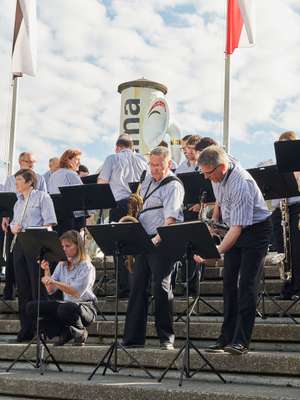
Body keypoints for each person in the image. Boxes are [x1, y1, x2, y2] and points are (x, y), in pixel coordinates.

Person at [195, 145, 271, 355]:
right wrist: (215, 221)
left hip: (256, 231)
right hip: (235, 228)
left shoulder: (241, 184)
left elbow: (238, 228)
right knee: (228, 282)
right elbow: (221, 199)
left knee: (246, 284)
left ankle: (241, 341)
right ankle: (225, 338)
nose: (207, 179)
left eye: (209, 174)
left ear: (221, 167)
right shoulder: (218, 172)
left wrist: (215, 250)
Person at [122, 146, 184, 350]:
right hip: (144, 239)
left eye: (158, 165)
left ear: (169, 164)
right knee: (137, 287)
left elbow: (170, 220)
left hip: (162, 240)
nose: (154, 169)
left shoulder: (173, 185)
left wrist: (155, 240)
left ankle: (166, 337)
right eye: (152, 164)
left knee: (161, 287)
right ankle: (133, 338)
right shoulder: (147, 180)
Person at [97, 134, 148, 297]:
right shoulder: (141, 159)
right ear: (132, 147)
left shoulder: (112, 158)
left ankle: (124, 288)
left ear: (117, 147)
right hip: (139, 204)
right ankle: (139, 286)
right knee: (138, 246)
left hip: (119, 205)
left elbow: (102, 183)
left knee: (119, 247)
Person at [10, 169, 57, 342]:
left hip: (36, 244)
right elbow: (14, 223)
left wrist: (30, 231)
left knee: (38, 288)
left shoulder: (43, 197)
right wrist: (13, 227)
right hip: (19, 245)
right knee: (23, 289)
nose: (16, 183)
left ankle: (42, 329)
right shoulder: (17, 203)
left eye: (20, 180)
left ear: (30, 182)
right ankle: (26, 328)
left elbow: (49, 223)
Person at [27, 230, 97, 346]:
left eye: (68, 246)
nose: (64, 249)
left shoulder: (87, 267)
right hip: (68, 305)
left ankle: (80, 332)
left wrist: (54, 282)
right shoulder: (62, 265)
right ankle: (66, 331)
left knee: (65, 308)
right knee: (32, 307)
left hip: (86, 307)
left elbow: (76, 292)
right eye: (63, 246)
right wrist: (46, 270)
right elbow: (50, 290)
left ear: (78, 246)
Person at [1, 153, 47, 300]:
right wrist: (5, 218)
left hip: (32, 225)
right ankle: (9, 291)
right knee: (12, 256)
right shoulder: (10, 179)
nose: (31, 164)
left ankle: (29, 294)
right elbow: (5, 200)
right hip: (14, 222)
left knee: (30, 261)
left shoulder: (39, 178)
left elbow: (43, 198)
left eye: (33, 162)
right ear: (20, 162)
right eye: (28, 161)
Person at [271, 131, 300, 299]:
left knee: (296, 250)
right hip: (279, 211)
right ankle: (287, 287)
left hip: (296, 209)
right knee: (282, 251)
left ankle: (297, 287)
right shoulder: (275, 167)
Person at [48, 149, 84, 234]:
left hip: (56, 217)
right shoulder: (71, 174)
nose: (79, 162)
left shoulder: (53, 175)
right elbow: (82, 195)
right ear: (68, 160)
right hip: (70, 219)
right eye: (77, 159)